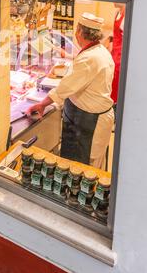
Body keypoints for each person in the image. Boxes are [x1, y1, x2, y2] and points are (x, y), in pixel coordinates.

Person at [26, 13, 115, 168]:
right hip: (90, 118)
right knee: (87, 165)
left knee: (82, 167)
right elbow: (84, 66)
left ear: (80, 32)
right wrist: (67, 55)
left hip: (88, 122)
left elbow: (64, 88)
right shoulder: (99, 51)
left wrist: (42, 104)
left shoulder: (89, 59)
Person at [110, 3, 125, 108]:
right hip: (114, 54)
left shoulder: (127, 15)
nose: (113, 2)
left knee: (117, 88)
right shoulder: (117, 13)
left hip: (120, 57)